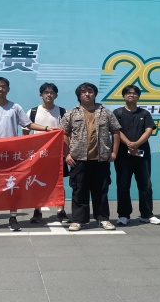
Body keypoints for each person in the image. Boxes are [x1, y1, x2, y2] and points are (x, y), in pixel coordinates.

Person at [0, 76, 51, 231]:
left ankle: (13, 217)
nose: (1, 89)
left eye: (4, 86)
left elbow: (28, 124)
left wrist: (46, 129)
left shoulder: (15, 107)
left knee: (12, 185)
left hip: (11, 154)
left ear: (8, 89)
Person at [60, 82, 121, 231]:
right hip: (78, 159)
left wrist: (114, 152)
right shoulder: (71, 113)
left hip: (101, 159)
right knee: (79, 190)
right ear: (79, 95)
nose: (87, 94)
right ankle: (78, 220)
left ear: (95, 94)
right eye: (84, 92)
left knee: (101, 190)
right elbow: (64, 134)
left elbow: (116, 131)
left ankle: (103, 219)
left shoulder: (106, 112)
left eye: (90, 91)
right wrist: (66, 155)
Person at [22, 82, 71, 223]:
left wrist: (66, 153)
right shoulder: (33, 112)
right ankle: (37, 211)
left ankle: (61, 211)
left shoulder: (62, 112)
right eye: (46, 92)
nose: (49, 95)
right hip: (38, 155)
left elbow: (66, 134)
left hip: (56, 154)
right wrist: (27, 153)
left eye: (52, 92)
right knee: (36, 182)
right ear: (41, 95)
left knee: (59, 183)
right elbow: (25, 132)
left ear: (56, 95)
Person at [113, 85, 160, 226]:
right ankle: (123, 215)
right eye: (128, 93)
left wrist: (137, 144)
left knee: (145, 184)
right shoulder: (118, 113)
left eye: (134, 93)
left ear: (138, 96)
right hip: (123, 155)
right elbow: (116, 130)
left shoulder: (144, 113)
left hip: (142, 154)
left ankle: (147, 214)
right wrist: (129, 144)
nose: (131, 95)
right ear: (123, 96)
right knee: (123, 184)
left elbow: (148, 130)